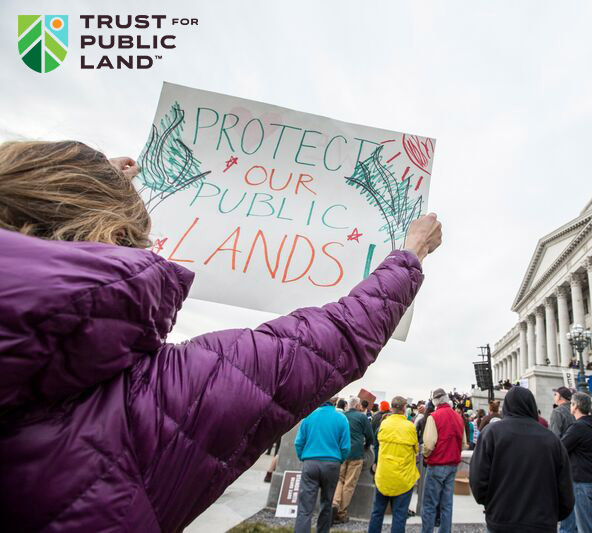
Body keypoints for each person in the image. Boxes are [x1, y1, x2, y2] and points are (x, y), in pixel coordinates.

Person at [0, 140, 443, 531]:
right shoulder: (159, 396)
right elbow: (336, 337)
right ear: (116, 235)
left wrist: (79, 183)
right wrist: (410, 255)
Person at [470, 386, 574, 532]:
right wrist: (551, 515)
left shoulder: (491, 433)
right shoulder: (552, 440)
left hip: (501, 520)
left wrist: (492, 505)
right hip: (542, 523)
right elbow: (565, 489)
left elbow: (477, 480)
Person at [294, 399, 351, 533]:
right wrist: (339, 460)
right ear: (335, 401)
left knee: (305, 507)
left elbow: (299, 442)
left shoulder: (309, 416)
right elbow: (345, 447)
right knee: (327, 504)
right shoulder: (342, 419)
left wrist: (304, 457)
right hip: (332, 464)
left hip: (310, 463)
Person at [368, 396, 419, 533]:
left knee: (377, 513)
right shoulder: (410, 427)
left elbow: (376, 445)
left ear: (392, 408)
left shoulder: (384, 424)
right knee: (399, 516)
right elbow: (416, 449)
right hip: (403, 478)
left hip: (384, 475)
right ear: (404, 409)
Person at [422, 388, 466, 533]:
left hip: (436, 464)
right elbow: (464, 443)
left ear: (435, 401)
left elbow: (429, 443)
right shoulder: (459, 417)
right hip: (453, 464)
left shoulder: (433, 416)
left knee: (430, 504)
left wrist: (425, 455)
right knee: (447, 504)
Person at [560, 392, 592, 533]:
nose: (570, 407)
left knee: (586, 527)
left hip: (583, 481)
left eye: (572, 404)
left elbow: (560, 448)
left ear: (576, 406)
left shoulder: (578, 427)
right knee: (585, 524)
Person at [332, 397, 374, 524]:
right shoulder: (362, 417)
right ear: (357, 406)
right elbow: (370, 436)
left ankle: (334, 503)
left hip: (341, 453)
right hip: (356, 453)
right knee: (349, 484)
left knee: (339, 480)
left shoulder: (342, 416)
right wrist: (366, 446)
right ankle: (341, 513)